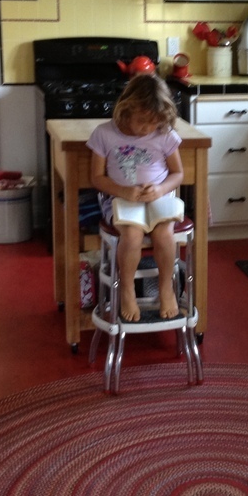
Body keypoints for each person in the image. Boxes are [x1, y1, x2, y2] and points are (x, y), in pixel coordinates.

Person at [87, 74, 184, 322]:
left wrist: (160, 190)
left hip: (158, 198)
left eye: (153, 123)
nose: (146, 128)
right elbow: (96, 178)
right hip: (120, 199)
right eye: (142, 121)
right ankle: (127, 288)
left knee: (164, 233)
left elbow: (178, 173)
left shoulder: (164, 133)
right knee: (131, 235)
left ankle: (166, 287)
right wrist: (123, 191)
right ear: (127, 108)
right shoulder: (104, 134)